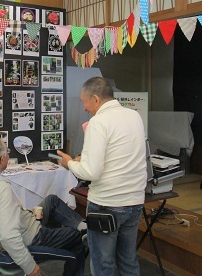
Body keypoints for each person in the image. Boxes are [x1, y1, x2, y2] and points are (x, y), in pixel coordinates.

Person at [57, 76, 147, 276]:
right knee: (128, 261)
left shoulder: (98, 122)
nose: (84, 107)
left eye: (84, 102)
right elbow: (120, 155)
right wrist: (86, 158)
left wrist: (69, 163)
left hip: (107, 204)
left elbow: (91, 172)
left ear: (96, 99)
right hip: (134, 202)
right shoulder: (134, 116)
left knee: (103, 264)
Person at [0, 137, 86, 276]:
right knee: (79, 237)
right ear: (2, 159)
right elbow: (9, 237)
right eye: (7, 152)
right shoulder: (1, 189)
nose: (9, 154)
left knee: (51, 200)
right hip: (32, 236)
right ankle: (84, 231)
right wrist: (29, 266)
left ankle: (82, 225)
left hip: (18, 225)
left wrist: (25, 212)